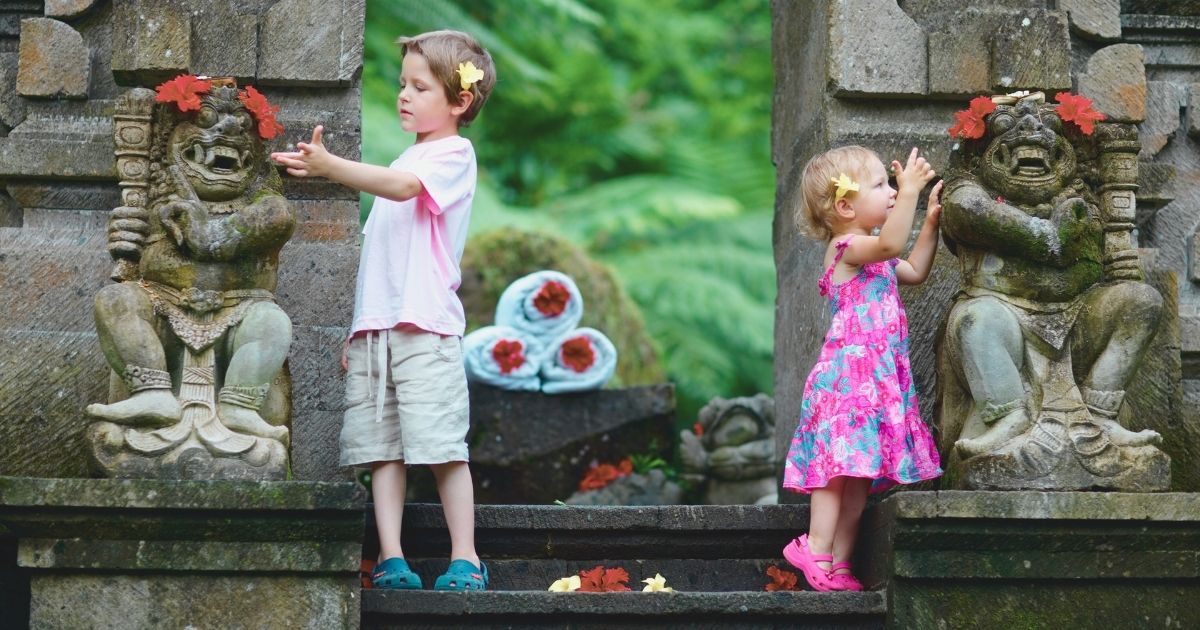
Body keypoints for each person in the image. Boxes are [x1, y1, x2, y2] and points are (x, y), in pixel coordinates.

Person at [271, 30, 496, 592]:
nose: (404, 95)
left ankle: (465, 557)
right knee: (382, 449)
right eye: (402, 84)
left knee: (442, 446)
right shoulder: (409, 154)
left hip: (426, 327)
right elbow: (380, 266)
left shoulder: (451, 154)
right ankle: (392, 557)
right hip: (378, 331)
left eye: (420, 87)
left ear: (459, 101)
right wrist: (358, 331)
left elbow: (400, 188)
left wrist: (331, 167)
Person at [781, 146, 944, 591]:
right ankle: (812, 548)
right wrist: (911, 190)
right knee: (834, 476)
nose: (891, 192)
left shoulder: (878, 257)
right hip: (847, 383)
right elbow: (892, 242)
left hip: (875, 383)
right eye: (881, 185)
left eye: (892, 185)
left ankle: (839, 563)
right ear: (845, 206)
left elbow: (912, 267)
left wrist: (928, 223)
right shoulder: (847, 247)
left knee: (857, 485)